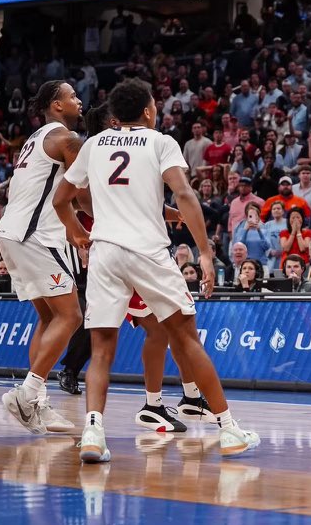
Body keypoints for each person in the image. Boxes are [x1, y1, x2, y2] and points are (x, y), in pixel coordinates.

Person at [53, 78, 258, 462]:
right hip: (148, 251)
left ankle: (94, 433)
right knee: (186, 338)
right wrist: (205, 252)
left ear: (114, 114)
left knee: (101, 350)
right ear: (148, 110)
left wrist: (79, 235)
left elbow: (61, 198)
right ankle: (229, 429)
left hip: (105, 253)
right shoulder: (160, 141)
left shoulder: (94, 144)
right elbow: (184, 193)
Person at [0, 81, 83, 435]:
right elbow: (85, 195)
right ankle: (26, 393)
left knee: (48, 318)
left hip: (12, 233)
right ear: (57, 105)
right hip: (35, 236)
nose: (78, 100)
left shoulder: (35, 138)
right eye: (72, 96)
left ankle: (37, 404)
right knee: (72, 315)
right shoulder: (66, 139)